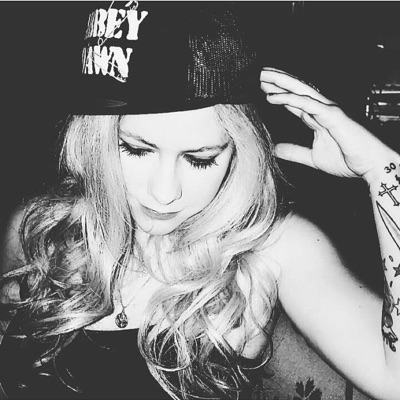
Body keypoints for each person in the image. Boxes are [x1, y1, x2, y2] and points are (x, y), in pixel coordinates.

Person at [0, 2, 400, 400]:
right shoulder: (41, 230)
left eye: (200, 159)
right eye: (136, 149)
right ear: (96, 139)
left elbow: (394, 379)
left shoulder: (273, 248)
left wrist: (384, 170)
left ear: (240, 151)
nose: (164, 193)